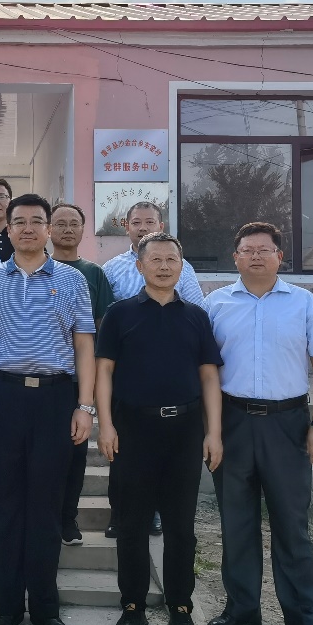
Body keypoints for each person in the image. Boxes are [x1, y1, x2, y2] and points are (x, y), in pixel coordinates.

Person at [204, 222, 313, 625]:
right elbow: (205, 370)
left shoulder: (303, 303)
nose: (256, 256)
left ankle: (304, 620)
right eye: (247, 250)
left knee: (291, 524)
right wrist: (211, 431)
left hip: (288, 424)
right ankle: (242, 608)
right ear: (235, 258)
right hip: (233, 422)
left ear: (280, 257)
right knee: (236, 521)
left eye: (265, 249)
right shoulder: (215, 304)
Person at [0, 193, 95, 625]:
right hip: (2, 398)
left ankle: (45, 609)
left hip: (55, 399)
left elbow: (85, 345)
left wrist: (85, 406)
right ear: (7, 229)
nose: (27, 228)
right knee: (3, 507)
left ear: (48, 229)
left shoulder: (73, 280)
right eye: (19, 221)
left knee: (46, 507)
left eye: (36, 221)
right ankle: (5, 609)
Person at [95, 231, 223, 625]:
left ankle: (180, 607)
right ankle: (132, 606)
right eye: (156, 259)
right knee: (131, 524)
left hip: (184, 432)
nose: (164, 266)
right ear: (140, 266)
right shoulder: (119, 314)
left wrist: (213, 432)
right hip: (133, 430)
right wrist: (105, 425)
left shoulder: (196, 317)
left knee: (181, 526)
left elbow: (209, 376)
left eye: (172, 260)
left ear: (181, 267)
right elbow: (104, 372)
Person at [102, 200, 205, 537]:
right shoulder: (112, 268)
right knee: (124, 454)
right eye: (137, 222)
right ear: (126, 226)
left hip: (172, 370)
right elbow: (106, 316)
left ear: (161, 226)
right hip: (127, 372)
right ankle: (120, 513)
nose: (143, 227)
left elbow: (196, 310)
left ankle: (156, 513)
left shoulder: (181, 267)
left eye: (150, 222)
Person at [48, 203, 115, 546]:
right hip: (45, 377)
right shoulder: (36, 269)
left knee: (74, 453)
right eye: (60, 223)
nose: (67, 229)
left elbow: (103, 326)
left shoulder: (93, 273)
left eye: (74, 223)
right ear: (48, 229)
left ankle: (67, 519)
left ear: (83, 229)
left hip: (79, 380)